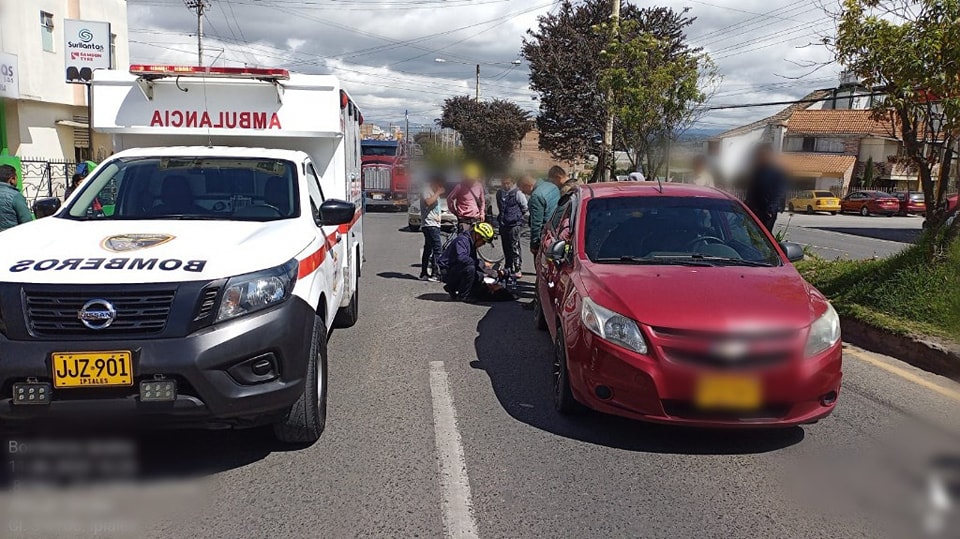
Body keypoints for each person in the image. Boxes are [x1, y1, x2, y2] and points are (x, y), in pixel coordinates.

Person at [438, 222, 496, 303]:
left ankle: (455, 288)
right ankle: (463, 295)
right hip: (447, 270)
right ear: (478, 236)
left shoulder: (471, 243)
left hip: (456, 269)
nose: (483, 244)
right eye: (483, 241)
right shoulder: (462, 241)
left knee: (479, 275)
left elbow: (473, 261)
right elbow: (462, 258)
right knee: (470, 269)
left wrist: (487, 271)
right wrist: (481, 263)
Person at [744, 144, 787, 233]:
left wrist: (770, 210)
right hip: (754, 211)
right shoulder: (756, 171)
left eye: (763, 155)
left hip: (767, 213)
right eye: (759, 155)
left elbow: (779, 193)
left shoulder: (777, 173)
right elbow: (751, 190)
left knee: (764, 237)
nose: (760, 158)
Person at [519, 174, 560, 255]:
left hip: (546, 236)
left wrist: (534, 245)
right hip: (557, 232)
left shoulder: (536, 196)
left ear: (528, 185)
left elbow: (536, 223)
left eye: (523, 190)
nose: (524, 194)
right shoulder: (552, 186)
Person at [496, 175, 528, 279]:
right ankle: (508, 266)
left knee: (515, 246)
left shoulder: (517, 193)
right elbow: (500, 207)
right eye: (503, 183)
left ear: (511, 183)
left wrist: (517, 217)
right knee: (506, 247)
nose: (505, 185)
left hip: (514, 224)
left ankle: (517, 267)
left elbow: (525, 207)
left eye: (507, 183)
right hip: (503, 224)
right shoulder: (499, 194)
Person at [419, 174, 445, 281]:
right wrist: (438, 192)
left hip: (434, 224)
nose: (441, 187)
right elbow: (428, 202)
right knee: (438, 249)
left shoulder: (434, 192)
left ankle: (424, 273)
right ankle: (436, 273)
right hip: (430, 225)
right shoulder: (427, 189)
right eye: (439, 185)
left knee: (428, 249)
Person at [447, 163, 486, 230]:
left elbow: (482, 201)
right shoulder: (460, 186)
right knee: (463, 239)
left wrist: (482, 213)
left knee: (475, 240)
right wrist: (454, 211)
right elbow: (449, 199)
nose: (472, 178)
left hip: (475, 219)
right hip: (464, 220)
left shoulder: (479, 186)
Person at [0, 165, 33, 232]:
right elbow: (27, 222)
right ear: (12, 179)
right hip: (12, 238)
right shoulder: (15, 196)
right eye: (16, 177)